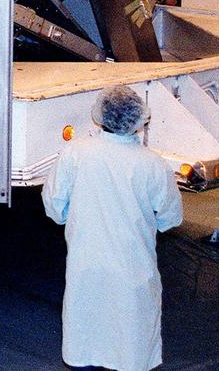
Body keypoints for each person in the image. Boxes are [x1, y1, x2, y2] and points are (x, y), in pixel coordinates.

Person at [42, 86, 184, 371]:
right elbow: (171, 217)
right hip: (134, 271)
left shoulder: (76, 153)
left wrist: (76, 216)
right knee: (130, 344)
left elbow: (54, 206)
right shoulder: (152, 163)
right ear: (140, 120)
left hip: (87, 267)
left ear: (100, 116)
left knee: (86, 339)